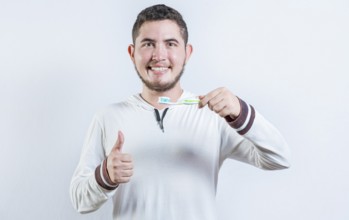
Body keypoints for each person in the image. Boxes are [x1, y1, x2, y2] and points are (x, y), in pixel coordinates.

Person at [70, 4, 290, 220]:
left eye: (171, 43)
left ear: (187, 53)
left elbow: (279, 158)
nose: (159, 55)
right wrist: (105, 176)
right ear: (132, 52)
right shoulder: (107, 117)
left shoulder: (214, 115)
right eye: (148, 44)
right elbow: (80, 201)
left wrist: (241, 112)